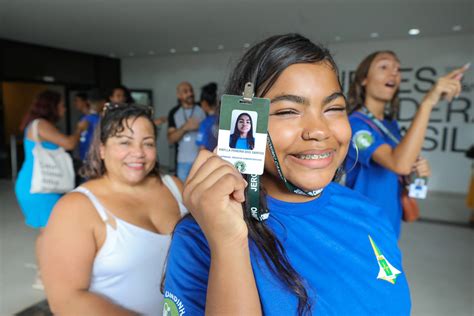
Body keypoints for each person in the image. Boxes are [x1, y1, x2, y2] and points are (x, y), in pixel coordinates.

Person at [162, 34, 411, 315]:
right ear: (247, 121)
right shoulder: (200, 237)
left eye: (334, 108)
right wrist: (228, 243)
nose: (318, 130)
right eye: (289, 111)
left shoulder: (369, 212)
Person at [38, 103, 187, 315]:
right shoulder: (76, 208)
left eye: (148, 143)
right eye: (124, 142)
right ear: (101, 149)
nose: (138, 153)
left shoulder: (175, 187)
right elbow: (66, 301)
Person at [344, 51, 465, 237]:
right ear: (363, 79)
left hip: (390, 221)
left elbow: (402, 167)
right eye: (384, 67)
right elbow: (398, 163)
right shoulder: (355, 124)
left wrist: (415, 171)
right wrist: (427, 103)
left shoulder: (390, 124)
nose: (393, 73)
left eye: (397, 69)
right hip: (365, 225)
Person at [15, 90, 86, 289]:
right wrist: (80, 128)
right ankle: (44, 276)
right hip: (39, 188)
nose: (64, 108)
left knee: (46, 232)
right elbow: (69, 143)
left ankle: (44, 274)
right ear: (51, 106)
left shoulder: (39, 124)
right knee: (49, 232)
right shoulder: (41, 124)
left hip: (40, 185)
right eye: (61, 105)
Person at [167, 82, 206, 181]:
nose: (190, 93)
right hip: (182, 161)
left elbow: (213, 130)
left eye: (191, 90)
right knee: (182, 193)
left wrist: (200, 127)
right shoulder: (173, 112)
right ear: (179, 95)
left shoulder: (203, 108)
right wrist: (185, 128)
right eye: (185, 91)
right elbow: (171, 139)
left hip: (201, 160)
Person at [78, 89, 103, 162]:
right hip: (95, 158)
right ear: (102, 102)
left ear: (88, 101)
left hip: (84, 156)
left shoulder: (84, 118)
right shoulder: (99, 119)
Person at [196, 82, 219, 151]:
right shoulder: (225, 120)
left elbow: (202, 149)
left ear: (204, 103)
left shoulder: (205, 124)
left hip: (210, 159)